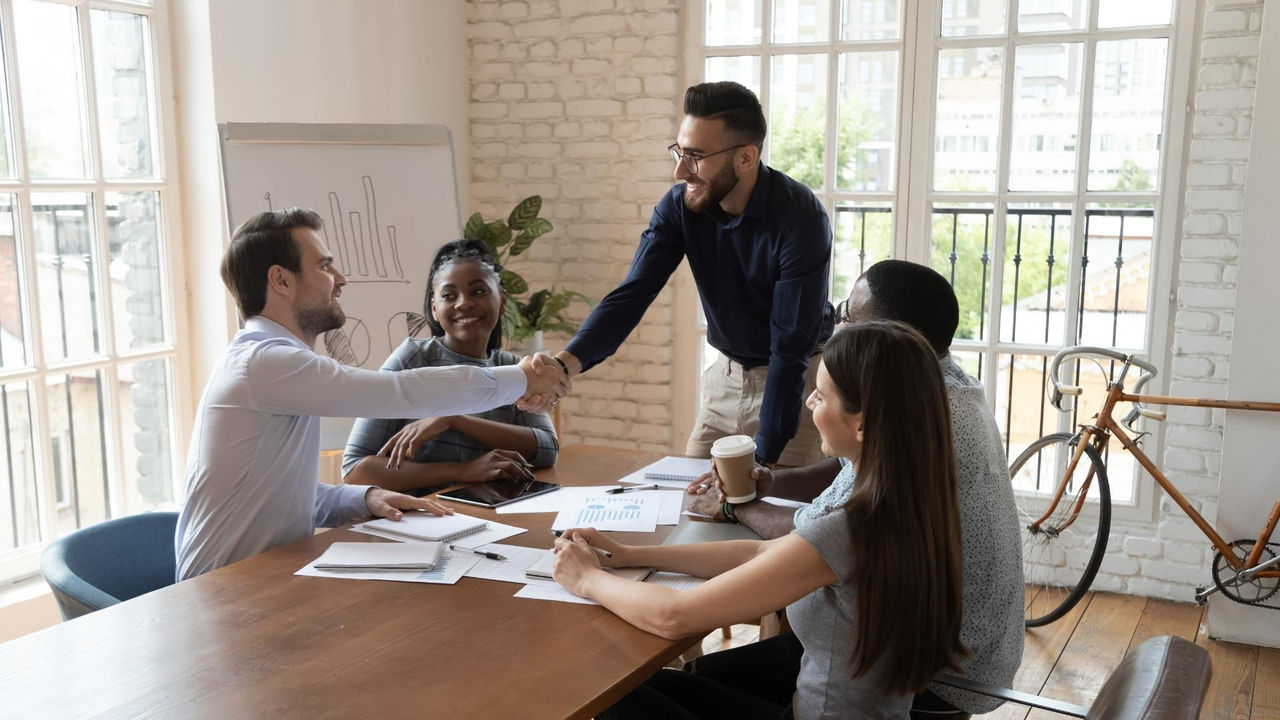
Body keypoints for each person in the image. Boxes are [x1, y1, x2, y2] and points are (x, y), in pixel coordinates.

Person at [553, 321, 966, 719]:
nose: (809, 402)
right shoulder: (916, 503)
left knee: (613, 699)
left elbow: (675, 616)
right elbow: (761, 551)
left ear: (860, 423)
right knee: (637, 693)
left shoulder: (852, 528)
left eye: (820, 397)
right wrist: (626, 555)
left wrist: (587, 579)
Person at [686, 259, 1024, 718]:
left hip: (935, 673)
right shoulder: (945, 387)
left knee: (680, 688)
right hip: (959, 650)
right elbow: (846, 473)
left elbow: (814, 537)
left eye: (850, 318)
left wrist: (733, 506)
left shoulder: (920, 414)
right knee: (703, 679)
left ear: (887, 339)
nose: (839, 328)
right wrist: (774, 480)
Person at [174, 209, 568, 580]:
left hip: (266, 576)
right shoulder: (266, 361)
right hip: (224, 588)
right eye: (325, 266)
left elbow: (280, 497)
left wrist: (367, 499)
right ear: (281, 280)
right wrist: (523, 378)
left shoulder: (273, 362)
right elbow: (401, 392)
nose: (340, 278)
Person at [552, 81, 834, 468]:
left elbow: (789, 348)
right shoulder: (680, 207)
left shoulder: (801, 219)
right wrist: (563, 365)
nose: (679, 171)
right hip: (725, 380)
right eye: (679, 152)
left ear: (746, 158)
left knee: (776, 517)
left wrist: (762, 461)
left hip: (795, 386)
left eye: (696, 156)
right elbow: (633, 293)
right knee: (690, 509)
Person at [341, 239, 558, 492]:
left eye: (478, 291)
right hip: (417, 520)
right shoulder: (412, 359)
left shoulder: (512, 368)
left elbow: (548, 449)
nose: (463, 303)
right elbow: (355, 470)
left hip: (487, 518)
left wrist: (453, 419)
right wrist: (463, 471)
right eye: (448, 295)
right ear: (435, 308)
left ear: (502, 302)